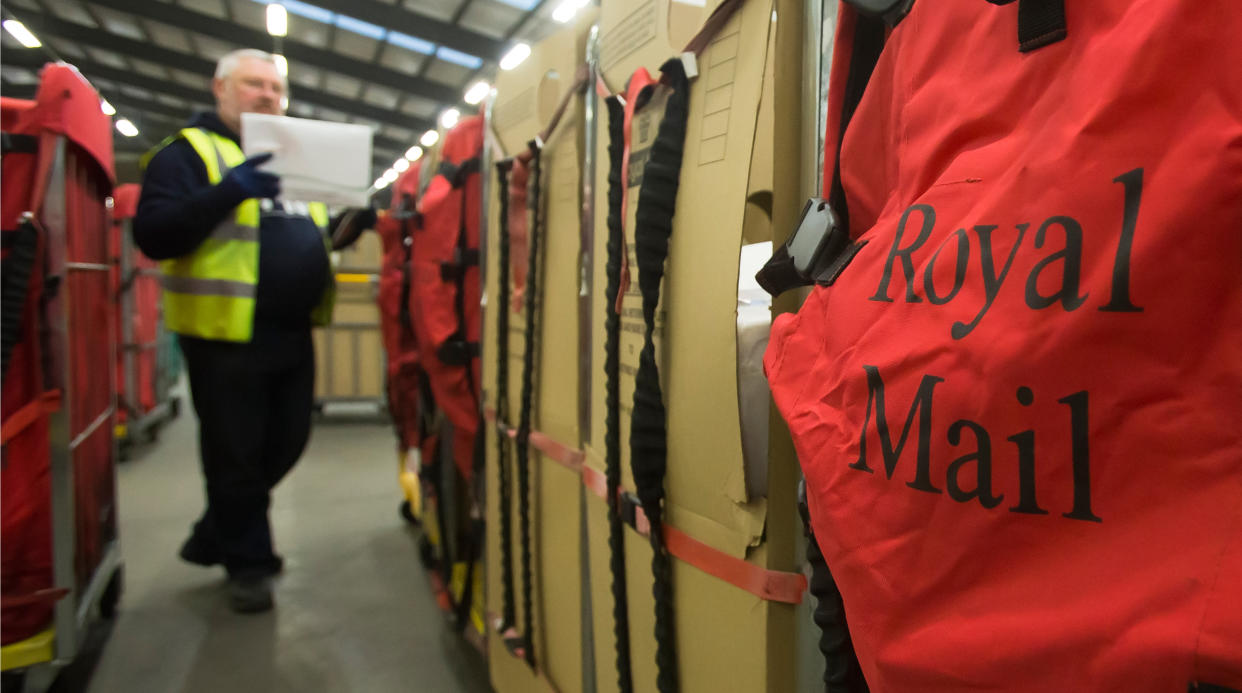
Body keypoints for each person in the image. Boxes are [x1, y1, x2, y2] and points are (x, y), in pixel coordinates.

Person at [134, 48, 374, 613]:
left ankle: (216, 532)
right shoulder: (185, 155)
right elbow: (155, 235)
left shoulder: (295, 158)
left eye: (275, 88)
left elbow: (307, 235)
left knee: (287, 442)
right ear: (219, 89)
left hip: (290, 329)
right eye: (253, 85)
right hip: (224, 333)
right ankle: (249, 562)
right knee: (236, 453)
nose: (267, 96)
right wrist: (230, 189)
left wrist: (352, 223)